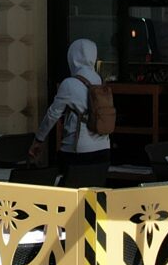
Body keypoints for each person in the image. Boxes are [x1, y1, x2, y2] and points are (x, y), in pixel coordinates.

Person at [31, 38, 113, 184]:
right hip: (104, 149)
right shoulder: (100, 81)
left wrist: (39, 140)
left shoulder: (69, 84)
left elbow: (52, 115)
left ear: (73, 57)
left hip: (78, 150)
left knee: (68, 190)